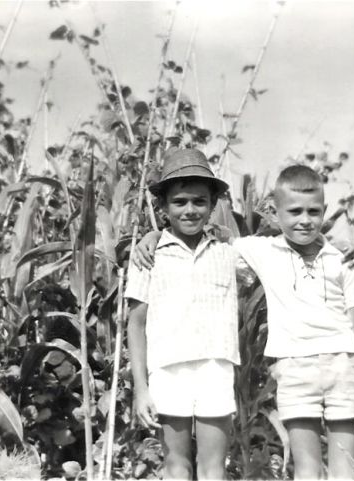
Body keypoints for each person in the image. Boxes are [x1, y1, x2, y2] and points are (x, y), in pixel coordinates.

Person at [134, 164, 354, 479]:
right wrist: (153, 235)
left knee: (346, 469)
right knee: (306, 468)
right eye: (295, 212)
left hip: (343, 367)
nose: (304, 219)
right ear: (276, 213)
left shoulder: (337, 260)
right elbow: (193, 242)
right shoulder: (260, 250)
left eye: (313, 211)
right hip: (293, 371)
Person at [125, 148, 241, 480]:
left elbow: (275, 252)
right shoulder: (149, 256)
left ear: (212, 205)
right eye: (180, 202)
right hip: (167, 370)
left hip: (215, 366)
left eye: (199, 201)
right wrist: (141, 388)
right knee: (176, 464)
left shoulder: (228, 253)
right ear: (163, 207)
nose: (190, 210)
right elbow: (136, 322)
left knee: (213, 465)